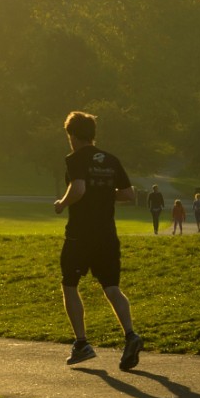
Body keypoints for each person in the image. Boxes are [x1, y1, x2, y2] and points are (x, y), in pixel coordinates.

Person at [52, 110, 144, 371]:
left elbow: (78, 189)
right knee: (112, 287)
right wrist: (103, 192)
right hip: (107, 234)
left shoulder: (75, 158)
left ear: (71, 134)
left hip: (80, 234)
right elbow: (128, 194)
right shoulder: (112, 161)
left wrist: (62, 203)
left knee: (69, 284)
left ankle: (81, 343)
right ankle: (130, 335)